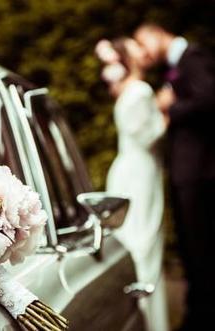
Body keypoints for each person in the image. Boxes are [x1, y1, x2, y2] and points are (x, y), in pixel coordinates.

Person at [134, 23, 215, 330]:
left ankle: (202, 316)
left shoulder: (193, 56)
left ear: (156, 33)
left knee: (200, 248)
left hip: (198, 170)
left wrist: (170, 110)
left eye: (144, 44)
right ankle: (199, 312)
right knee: (192, 248)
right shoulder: (177, 64)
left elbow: (209, 99)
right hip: (187, 170)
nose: (144, 54)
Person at [95, 37, 169, 331]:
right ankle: (147, 318)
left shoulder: (127, 91)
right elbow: (147, 135)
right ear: (129, 57)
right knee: (144, 241)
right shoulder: (140, 90)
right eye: (136, 46)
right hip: (140, 173)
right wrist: (166, 113)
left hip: (127, 169)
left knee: (134, 237)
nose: (143, 49)